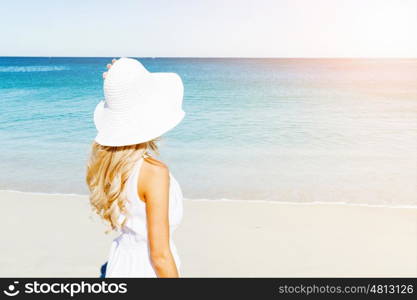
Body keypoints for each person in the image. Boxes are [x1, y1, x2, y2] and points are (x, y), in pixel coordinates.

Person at [86, 57, 185, 277]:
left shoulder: (111, 164)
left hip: (119, 266)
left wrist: (121, 81)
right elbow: (159, 256)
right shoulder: (154, 173)